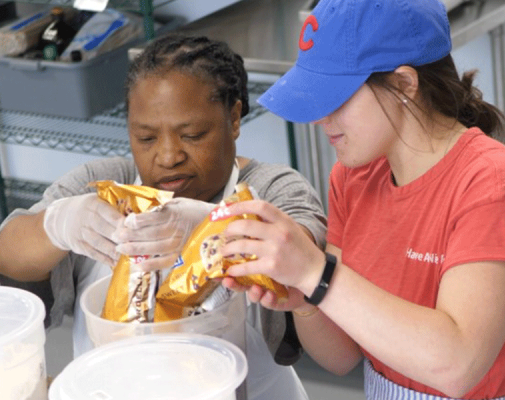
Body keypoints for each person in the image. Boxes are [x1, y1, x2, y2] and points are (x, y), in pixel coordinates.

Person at [218, 0, 505, 399]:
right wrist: (304, 298)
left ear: (404, 85)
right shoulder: (354, 177)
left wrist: (316, 272)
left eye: (336, 96)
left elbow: (457, 365)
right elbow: (341, 357)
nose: (320, 116)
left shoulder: (493, 186)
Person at [0, 33, 327, 400]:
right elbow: (9, 253)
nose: (169, 156)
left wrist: (212, 226)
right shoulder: (104, 185)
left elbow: (305, 256)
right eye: (146, 138)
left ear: (233, 119)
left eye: (192, 135)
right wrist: (57, 225)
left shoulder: (272, 187)